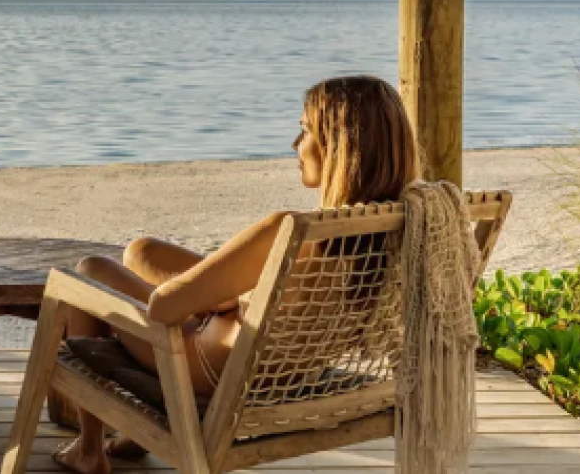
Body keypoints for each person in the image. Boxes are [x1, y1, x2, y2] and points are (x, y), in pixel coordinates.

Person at [52, 75, 418, 474]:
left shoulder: (291, 231)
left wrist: (209, 303)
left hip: (208, 368)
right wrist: (227, 299)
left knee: (91, 271)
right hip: (282, 367)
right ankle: (133, 434)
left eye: (305, 130)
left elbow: (161, 311)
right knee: (142, 252)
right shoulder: (393, 229)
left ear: (339, 144)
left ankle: (89, 450)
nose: (295, 145)